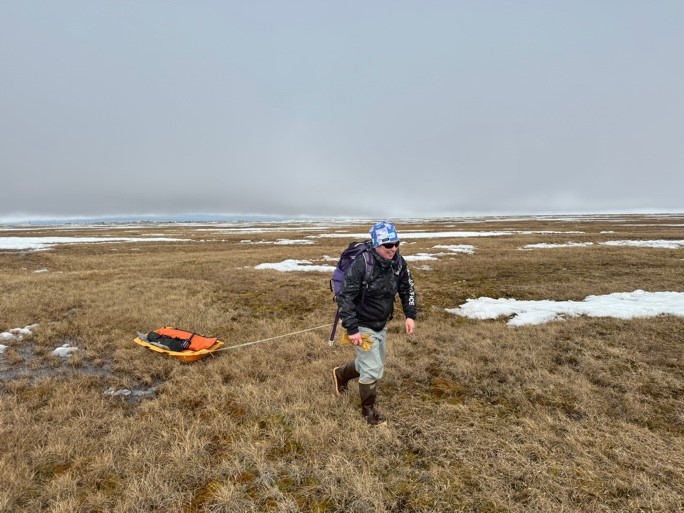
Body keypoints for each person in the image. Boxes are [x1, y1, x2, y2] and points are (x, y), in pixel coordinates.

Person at [332, 221, 417, 425]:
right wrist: (352, 329)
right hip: (362, 323)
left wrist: (410, 315)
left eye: (396, 243)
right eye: (389, 245)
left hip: (381, 323)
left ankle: (341, 374)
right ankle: (368, 412)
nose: (394, 249)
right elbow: (345, 297)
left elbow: (407, 287)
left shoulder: (398, 262)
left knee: (372, 364)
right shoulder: (362, 263)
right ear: (377, 245)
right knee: (372, 369)